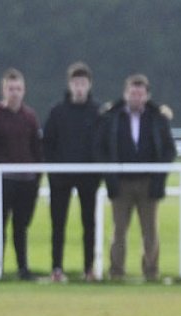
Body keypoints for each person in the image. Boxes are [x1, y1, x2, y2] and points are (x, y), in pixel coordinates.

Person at [95, 74, 176, 282]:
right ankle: (116, 272)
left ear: (147, 96)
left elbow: (169, 150)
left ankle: (151, 272)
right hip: (120, 182)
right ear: (125, 94)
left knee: (150, 231)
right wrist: (109, 173)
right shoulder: (111, 116)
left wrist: (159, 176)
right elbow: (101, 148)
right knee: (119, 230)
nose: (136, 98)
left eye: (140, 94)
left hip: (148, 182)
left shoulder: (158, 118)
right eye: (132, 93)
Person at [43, 62, 102, 282]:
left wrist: (97, 172)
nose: (79, 88)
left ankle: (88, 269)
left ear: (89, 85)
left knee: (89, 224)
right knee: (58, 224)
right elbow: (47, 144)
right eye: (76, 83)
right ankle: (56, 268)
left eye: (83, 83)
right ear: (69, 85)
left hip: (88, 177)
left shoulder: (97, 112)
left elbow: (102, 145)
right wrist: (55, 170)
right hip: (61, 178)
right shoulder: (57, 112)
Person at [0, 68, 43, 280]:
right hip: (3, 182)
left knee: (21, 227)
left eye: (18, 88)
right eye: (11, 89)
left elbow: (37, 150)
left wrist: (36, 178)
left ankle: (23, 268)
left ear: (24, 90)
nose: (15, 93)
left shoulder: (30, 117)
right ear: (4, 90)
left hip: (26, 181)